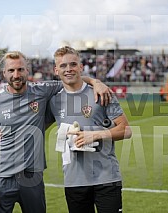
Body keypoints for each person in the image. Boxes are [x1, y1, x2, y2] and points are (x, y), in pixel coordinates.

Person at [0, 50, 112, 213]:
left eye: (20, 69)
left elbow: (71, 79)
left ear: (27, 71)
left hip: (32, 177)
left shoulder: (42, 90)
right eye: (11, 70)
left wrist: (95, 81)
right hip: (1, 177)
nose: (16, 74)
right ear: (4, 73)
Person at [47, 46, 132, 213]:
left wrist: (95, 135)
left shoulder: (101, 93)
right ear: (56, 70)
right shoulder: (54, 101)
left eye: (73, 64)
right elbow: (34, 127)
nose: (68, 69)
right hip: (74, 181)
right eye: (63, 66)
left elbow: (127, 130)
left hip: (107, 179)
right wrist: (4, 134)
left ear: (81, 67)